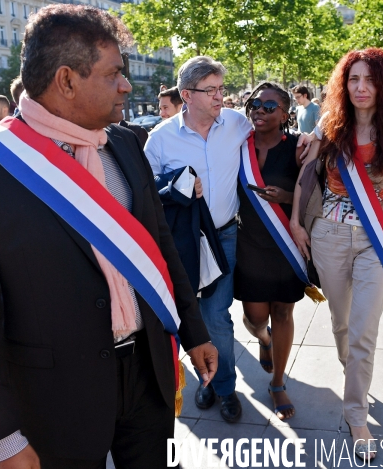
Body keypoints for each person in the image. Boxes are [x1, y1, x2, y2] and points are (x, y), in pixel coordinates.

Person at [0, 5, 217, 468]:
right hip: (52, 397)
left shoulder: (125, 143)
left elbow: (160, 248)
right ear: (67, 80)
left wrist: (194, 332)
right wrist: (1, 437)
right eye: (114, 74)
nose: (127, 85)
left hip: (148, 373)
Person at [291, 48, 383, 461]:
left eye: (371, 80)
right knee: (342, 324)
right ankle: (353, 371)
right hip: (327, 235)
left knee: (364, 330)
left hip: (373, 242)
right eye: (353, 79)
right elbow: (307, 176)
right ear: (344, 85)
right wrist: (295, 221)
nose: (361, 88)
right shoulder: (330, 126)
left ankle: (355, 415)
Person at [145, 55, 252, 424]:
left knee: (216, 318)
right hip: (183, 242)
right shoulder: (159, 139)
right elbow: (147, 191)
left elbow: (273, 138)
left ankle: (223, 388)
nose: (220, 96)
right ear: (187, 95)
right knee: (190, 317)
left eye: (221, 88)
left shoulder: (238, 124)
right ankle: (204, 376)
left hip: (225, 236)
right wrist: (177, 187)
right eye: (211, 90)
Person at [235, 82, 306, 420]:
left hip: (284, 248)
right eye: (254, 104)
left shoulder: (297, 148)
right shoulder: (236, 145)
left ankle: (277, 383)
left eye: (269, 105)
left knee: (283, 314)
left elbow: (317, 195)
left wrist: (287, 198)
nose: (259, 110)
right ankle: (263, 339)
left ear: (285, 114)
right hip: (248, 245)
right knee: (255, 318)